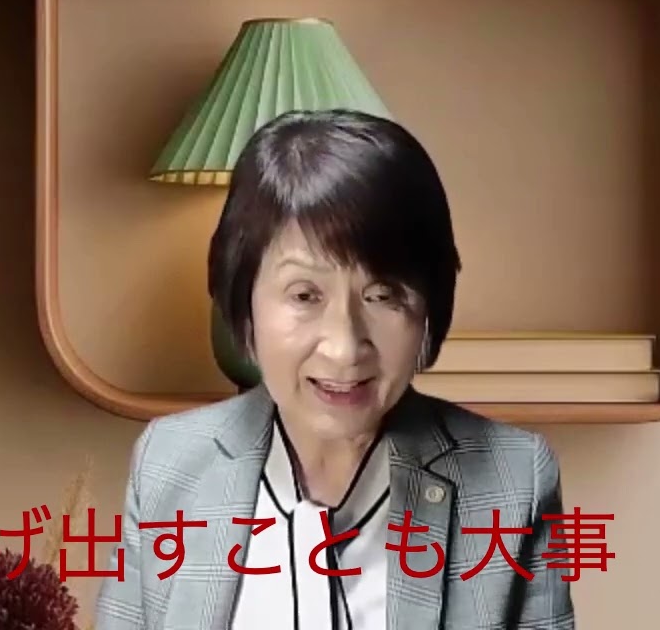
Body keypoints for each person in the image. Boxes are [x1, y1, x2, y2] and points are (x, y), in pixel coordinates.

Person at [95, 109, 574, 630]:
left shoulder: (512, 478)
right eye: (305, 295)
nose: (344, 349)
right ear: (244, 298)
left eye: (383, 295)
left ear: (429, 305)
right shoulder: (170, 462)